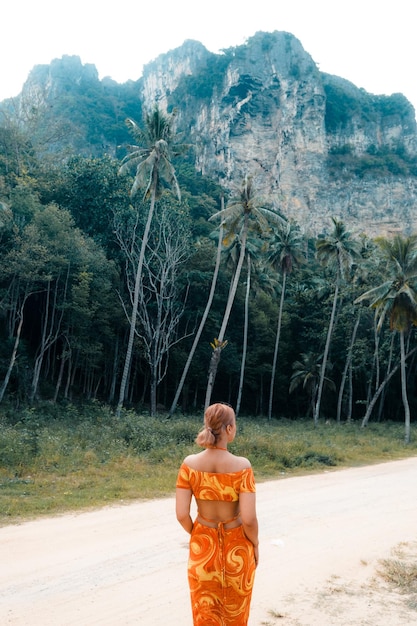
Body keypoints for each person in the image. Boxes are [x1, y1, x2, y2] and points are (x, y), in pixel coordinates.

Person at [176, 402, 258, 626]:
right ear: (229, 429)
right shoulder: (242, 467)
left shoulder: (189, 465)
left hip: (203, 547)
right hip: (238, 548)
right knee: (235, 615)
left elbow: (182, 514)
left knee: (205, 614)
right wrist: (256, 544)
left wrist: (200, 534)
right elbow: (249, 519)